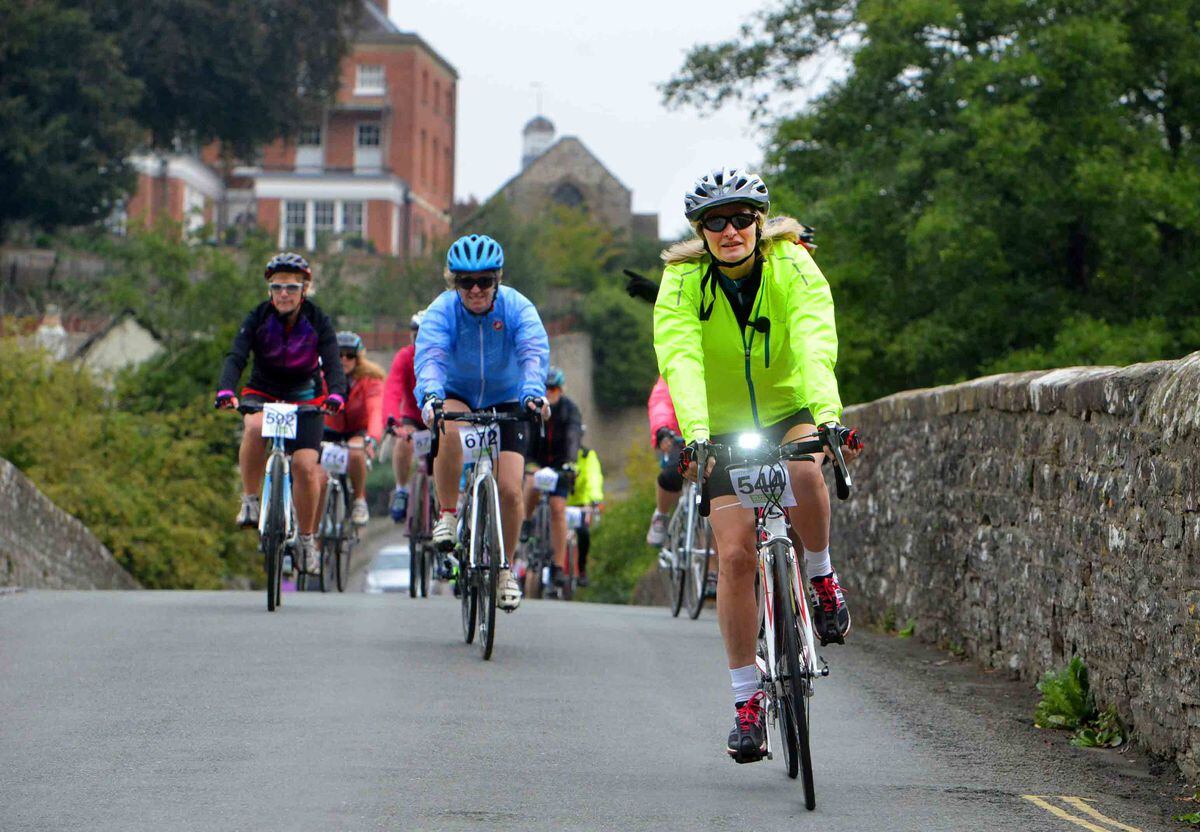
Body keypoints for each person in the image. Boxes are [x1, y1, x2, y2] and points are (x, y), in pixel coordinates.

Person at [653, 167, 861, 764]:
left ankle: (820, 575)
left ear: (759, 223)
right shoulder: (682, 281)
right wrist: (695, 437)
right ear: (701, 231)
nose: (730, 230)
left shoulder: (792, 263)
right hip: (717, 424)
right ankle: (747, 701)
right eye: (715, 222)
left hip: (788, 405)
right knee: (738, 551)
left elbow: (815, 336)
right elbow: (680, 357)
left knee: (805, 473)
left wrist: (827, 417)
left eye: (742, 218)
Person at [414, 233, 550, 612]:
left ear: (498, 280)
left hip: (509, 397)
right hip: (458, 392)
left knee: (510, 489)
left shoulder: (517, 308)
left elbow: (533, 354)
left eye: (484, 281)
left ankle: (504, 570)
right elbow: (431, 358)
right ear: (453, 282)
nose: (475, 290)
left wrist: (533, 394)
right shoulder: (442, 311)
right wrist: (430, 397)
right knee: (447, 426)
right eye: (465, 282)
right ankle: (447, 514)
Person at [215, 252, 346, 575]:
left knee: (304, 465)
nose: (283, 294)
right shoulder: (258, 317)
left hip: (306, 398)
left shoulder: (317, 319)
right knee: (253, 427)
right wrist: (226, 389)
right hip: (263, 391)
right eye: (276, 288)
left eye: (290, 287)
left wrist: (336, 394)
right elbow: (236, 356)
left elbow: (332, 360)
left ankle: (305, 538)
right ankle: (249, 500)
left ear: (304, 290)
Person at [520, 366, 582, 598]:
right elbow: (524, 435)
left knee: (558, 509)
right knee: (531, 483)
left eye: (554, 389)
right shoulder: (533, 406)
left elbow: (574, 436)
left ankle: (558, 566)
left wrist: (570, 462)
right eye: (546, 389)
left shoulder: (570, 410)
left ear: (561, 390)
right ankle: (526, 521)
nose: (550, 393)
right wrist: (528, 463)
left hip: (559, 464)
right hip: (535, 460)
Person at [323, 330, 385, 525]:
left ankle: (359, 500)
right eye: (339, 355)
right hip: (328, 429)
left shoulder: (371, 379)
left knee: (356, 453)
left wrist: (373, 438)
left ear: (358, 358)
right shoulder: (321, 377)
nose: (344, 359)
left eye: (349, 355)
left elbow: (376, 410)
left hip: (357, 430)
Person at [382, 310, 425, 523]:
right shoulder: (405, 357)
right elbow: (392, 389)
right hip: (414, 418)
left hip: (443, 418)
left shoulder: (449, 356)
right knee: (404, 440)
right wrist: (392, 420)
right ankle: (401, 489)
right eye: (416, 336)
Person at [645, 375, 683, 546]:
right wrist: (662, 430)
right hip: (678, 437)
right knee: (672, 475)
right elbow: (661, 402)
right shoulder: (675, 366)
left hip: (715, 435)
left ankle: (711, 571)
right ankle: (661, 514)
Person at [566, 439, 603, 587]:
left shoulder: (587, 456)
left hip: (580, 504)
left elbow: (593, 478)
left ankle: (581, 569)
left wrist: (595, 499)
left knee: (584, 534)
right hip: (560, 502)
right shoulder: (558, 453)